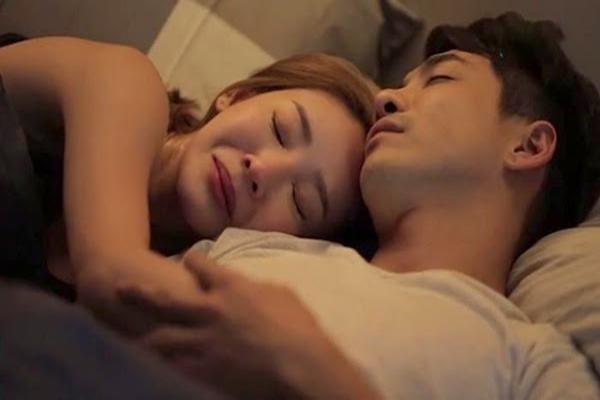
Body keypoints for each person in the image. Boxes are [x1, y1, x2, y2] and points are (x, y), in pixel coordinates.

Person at [116, 12, 600, 399]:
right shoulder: (255, 242)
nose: (386, 97)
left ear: (528, 145)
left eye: (439, 80)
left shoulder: (529, 362)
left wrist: (321, 378)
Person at [0, 37, 374, 331]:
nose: (261, 170)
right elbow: (112, 269)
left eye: (300, 199)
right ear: (238, 97)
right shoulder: (127, 82)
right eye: (280, 129)